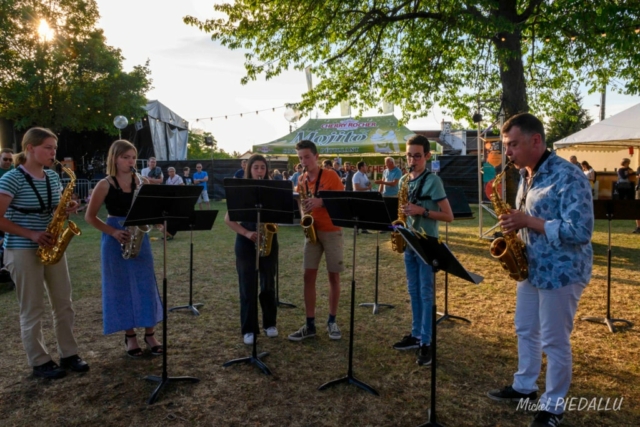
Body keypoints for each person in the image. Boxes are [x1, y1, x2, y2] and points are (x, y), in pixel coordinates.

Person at [486, 113, 593, 427]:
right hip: (532, 268)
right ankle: (524, 387)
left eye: (513, 145)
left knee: (554, 340)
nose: (508, 153)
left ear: (536, 140)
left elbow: (581, 231)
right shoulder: (525, 174)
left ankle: (553, 408)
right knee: (524, 328)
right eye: (507, 146)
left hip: (562, 272)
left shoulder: (568, 175)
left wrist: (527, 221)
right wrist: (512, 229)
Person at [0, 127, 89, 379]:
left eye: (55, 148)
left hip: (51, 247)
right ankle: (39, 361)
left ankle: (69, 353)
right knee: (32, 308)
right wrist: (31, 234)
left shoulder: (51, 176)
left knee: (64, 303)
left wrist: (67, 205)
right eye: (48, 148)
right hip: (21, 249)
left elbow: (55, 204)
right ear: (30, 148)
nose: (53, 153)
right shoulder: (11, 179)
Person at [84, 140, 164, 359]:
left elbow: (150, 208)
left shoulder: (142, 181)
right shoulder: (105, 184)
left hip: (139, 235)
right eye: (125, 157)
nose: (130, 162)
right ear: (114, 159)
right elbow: (89, 217)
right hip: (115, 237)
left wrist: (157, 221)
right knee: (120, 287)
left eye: (133, 157)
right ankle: (130, 337)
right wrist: (113, 232)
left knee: (145, 283)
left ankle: (150, 334)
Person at [391, 135, 453, 367]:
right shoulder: (404, 181)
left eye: (417, 156)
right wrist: (400, 222)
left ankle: (426, 342)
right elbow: (402, 211)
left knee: (426, 294)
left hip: (427, 245)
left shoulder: (433, 181)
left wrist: (422, 211)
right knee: (413, 291)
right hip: (410, 243)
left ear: (427, 156)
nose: (412, 160)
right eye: (409, 155)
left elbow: (449, 216)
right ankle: (416, 335)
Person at [288, 140, 345, 341]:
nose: (303, 161)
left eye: (307, 157)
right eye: (300, 158)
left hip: (331, 230)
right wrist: (304, 215)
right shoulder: (302, 179)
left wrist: (321, 202)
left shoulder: (331, 176)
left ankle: (332, 321)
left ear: (316, 157)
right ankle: (310, 324)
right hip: (311, 231)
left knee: (334, 278)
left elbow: (342, 201)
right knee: (307, 277)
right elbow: (302, 203)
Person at [224, 154, 279, 345]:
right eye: (256, 167)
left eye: (262, 167)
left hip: (268, 238)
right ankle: (249, 328)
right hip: (246, 241)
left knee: (268, 284)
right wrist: (247, 233)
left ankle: (270, 324)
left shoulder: (273, 189)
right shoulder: (240, 189)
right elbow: (228, 219)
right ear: (249, 169)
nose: (259, 171)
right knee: (247, 286)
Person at [163, 167, 184, 240]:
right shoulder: (168, 180)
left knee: (175, 216)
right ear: (168, 173)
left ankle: (172, 233)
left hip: (177, 199)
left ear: (175, 172)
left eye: (173, 171)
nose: (171, 173)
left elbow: (182, 186)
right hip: (170, 199)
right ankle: (167, 233)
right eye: (170, 171)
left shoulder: (178, 178)